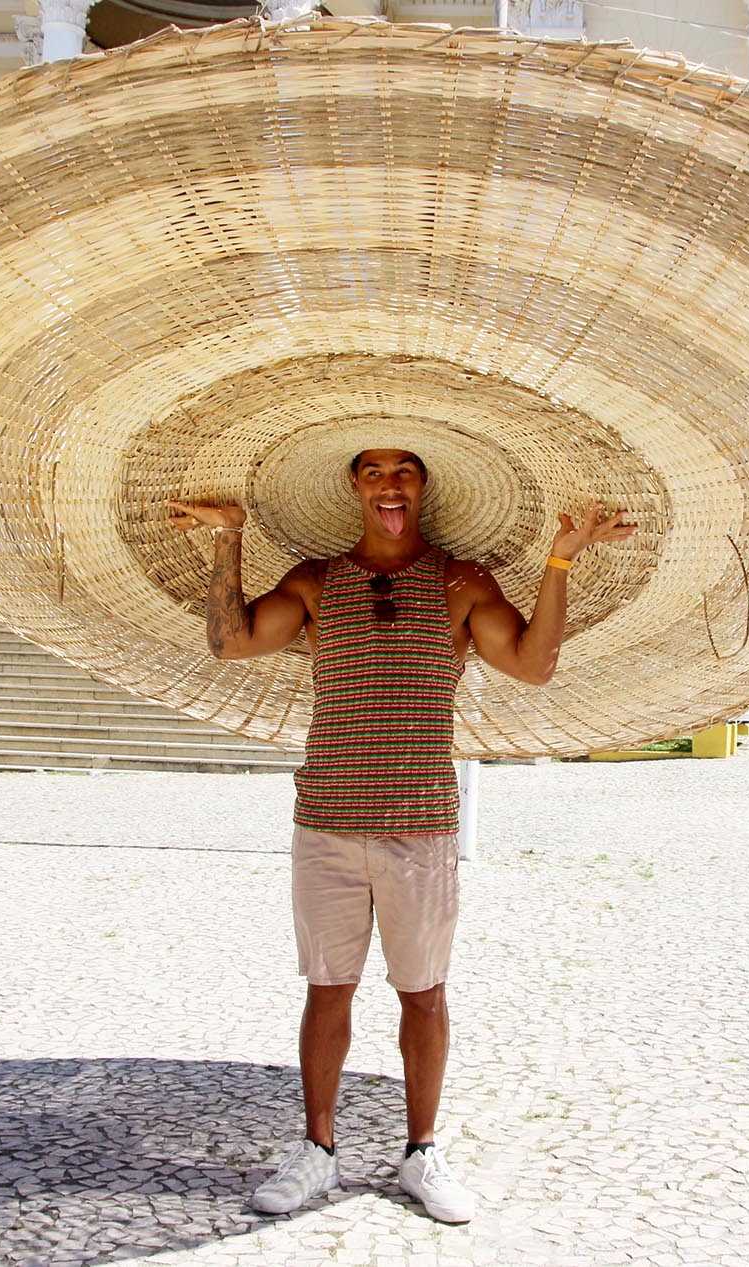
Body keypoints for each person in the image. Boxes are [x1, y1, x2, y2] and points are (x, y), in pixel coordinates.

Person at [169, 448, 635, 1224]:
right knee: (328, 989)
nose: (391, 483)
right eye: (376, 471)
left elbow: (533, 663)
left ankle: (422, 1152)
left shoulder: (460, 582)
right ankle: (317, 1151)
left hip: (420, 824)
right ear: (354, 484)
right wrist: (228, 535)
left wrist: (560, 558)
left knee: (423, 992)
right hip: (326, 819)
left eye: (406, 471)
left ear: (422, 488)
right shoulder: (317, 581)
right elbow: (232, 640)